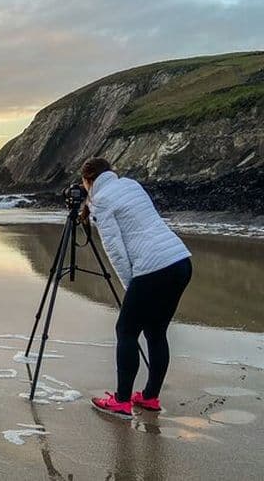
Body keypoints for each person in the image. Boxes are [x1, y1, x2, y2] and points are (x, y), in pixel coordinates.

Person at [79, 157, 192, 418]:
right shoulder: (131, 185)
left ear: (88, 180)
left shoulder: (100, 201)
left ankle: (121, 401)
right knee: (156, 331)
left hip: (152, 268)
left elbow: (115, 249)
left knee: (126, 330)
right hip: (180, 261)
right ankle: (150, 397)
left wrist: (131, 286)